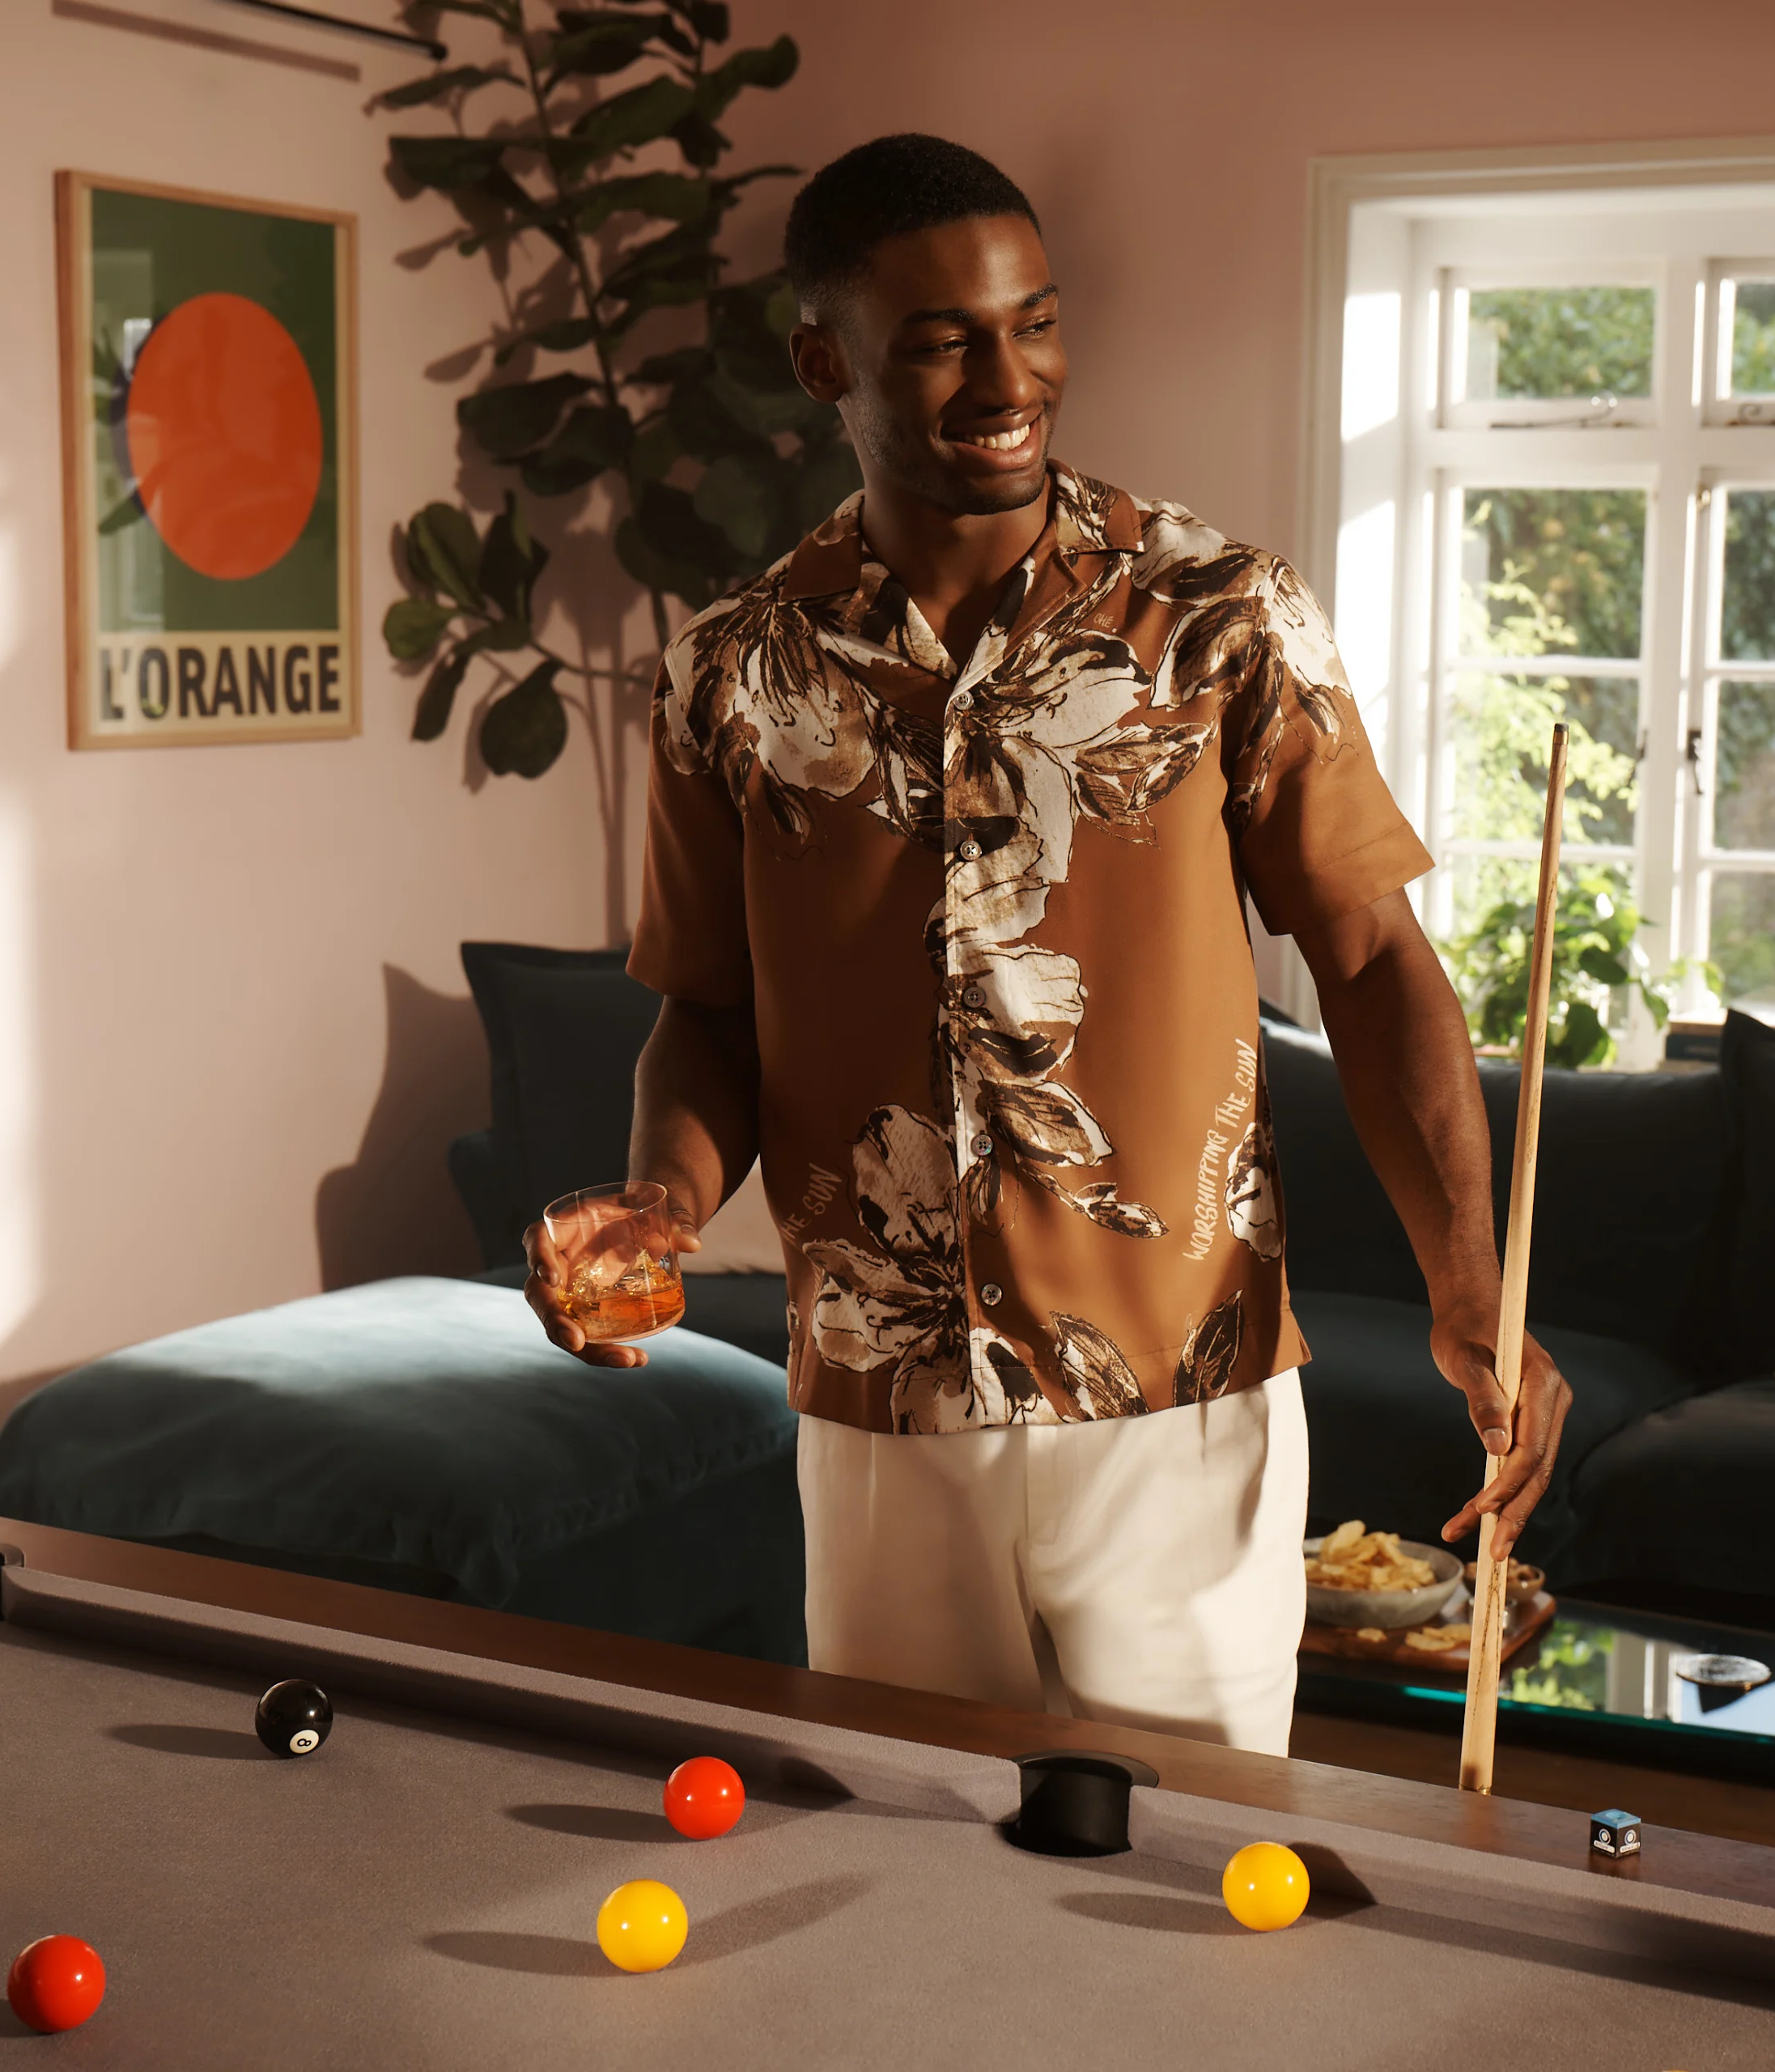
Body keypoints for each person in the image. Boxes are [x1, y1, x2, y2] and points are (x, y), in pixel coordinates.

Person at [526, 133, 1569, 1756]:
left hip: (1181, 1398)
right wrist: (664, 1193)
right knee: (910, 1885)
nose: (1005, 377)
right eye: (940, 339)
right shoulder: (725, 674)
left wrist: (1466, 1285)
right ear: (825, 362)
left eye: (1034, 323)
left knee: (1197, 1905)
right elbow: (707, 1014)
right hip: (879, 1407)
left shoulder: (1224, 621)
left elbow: (1367, 964)